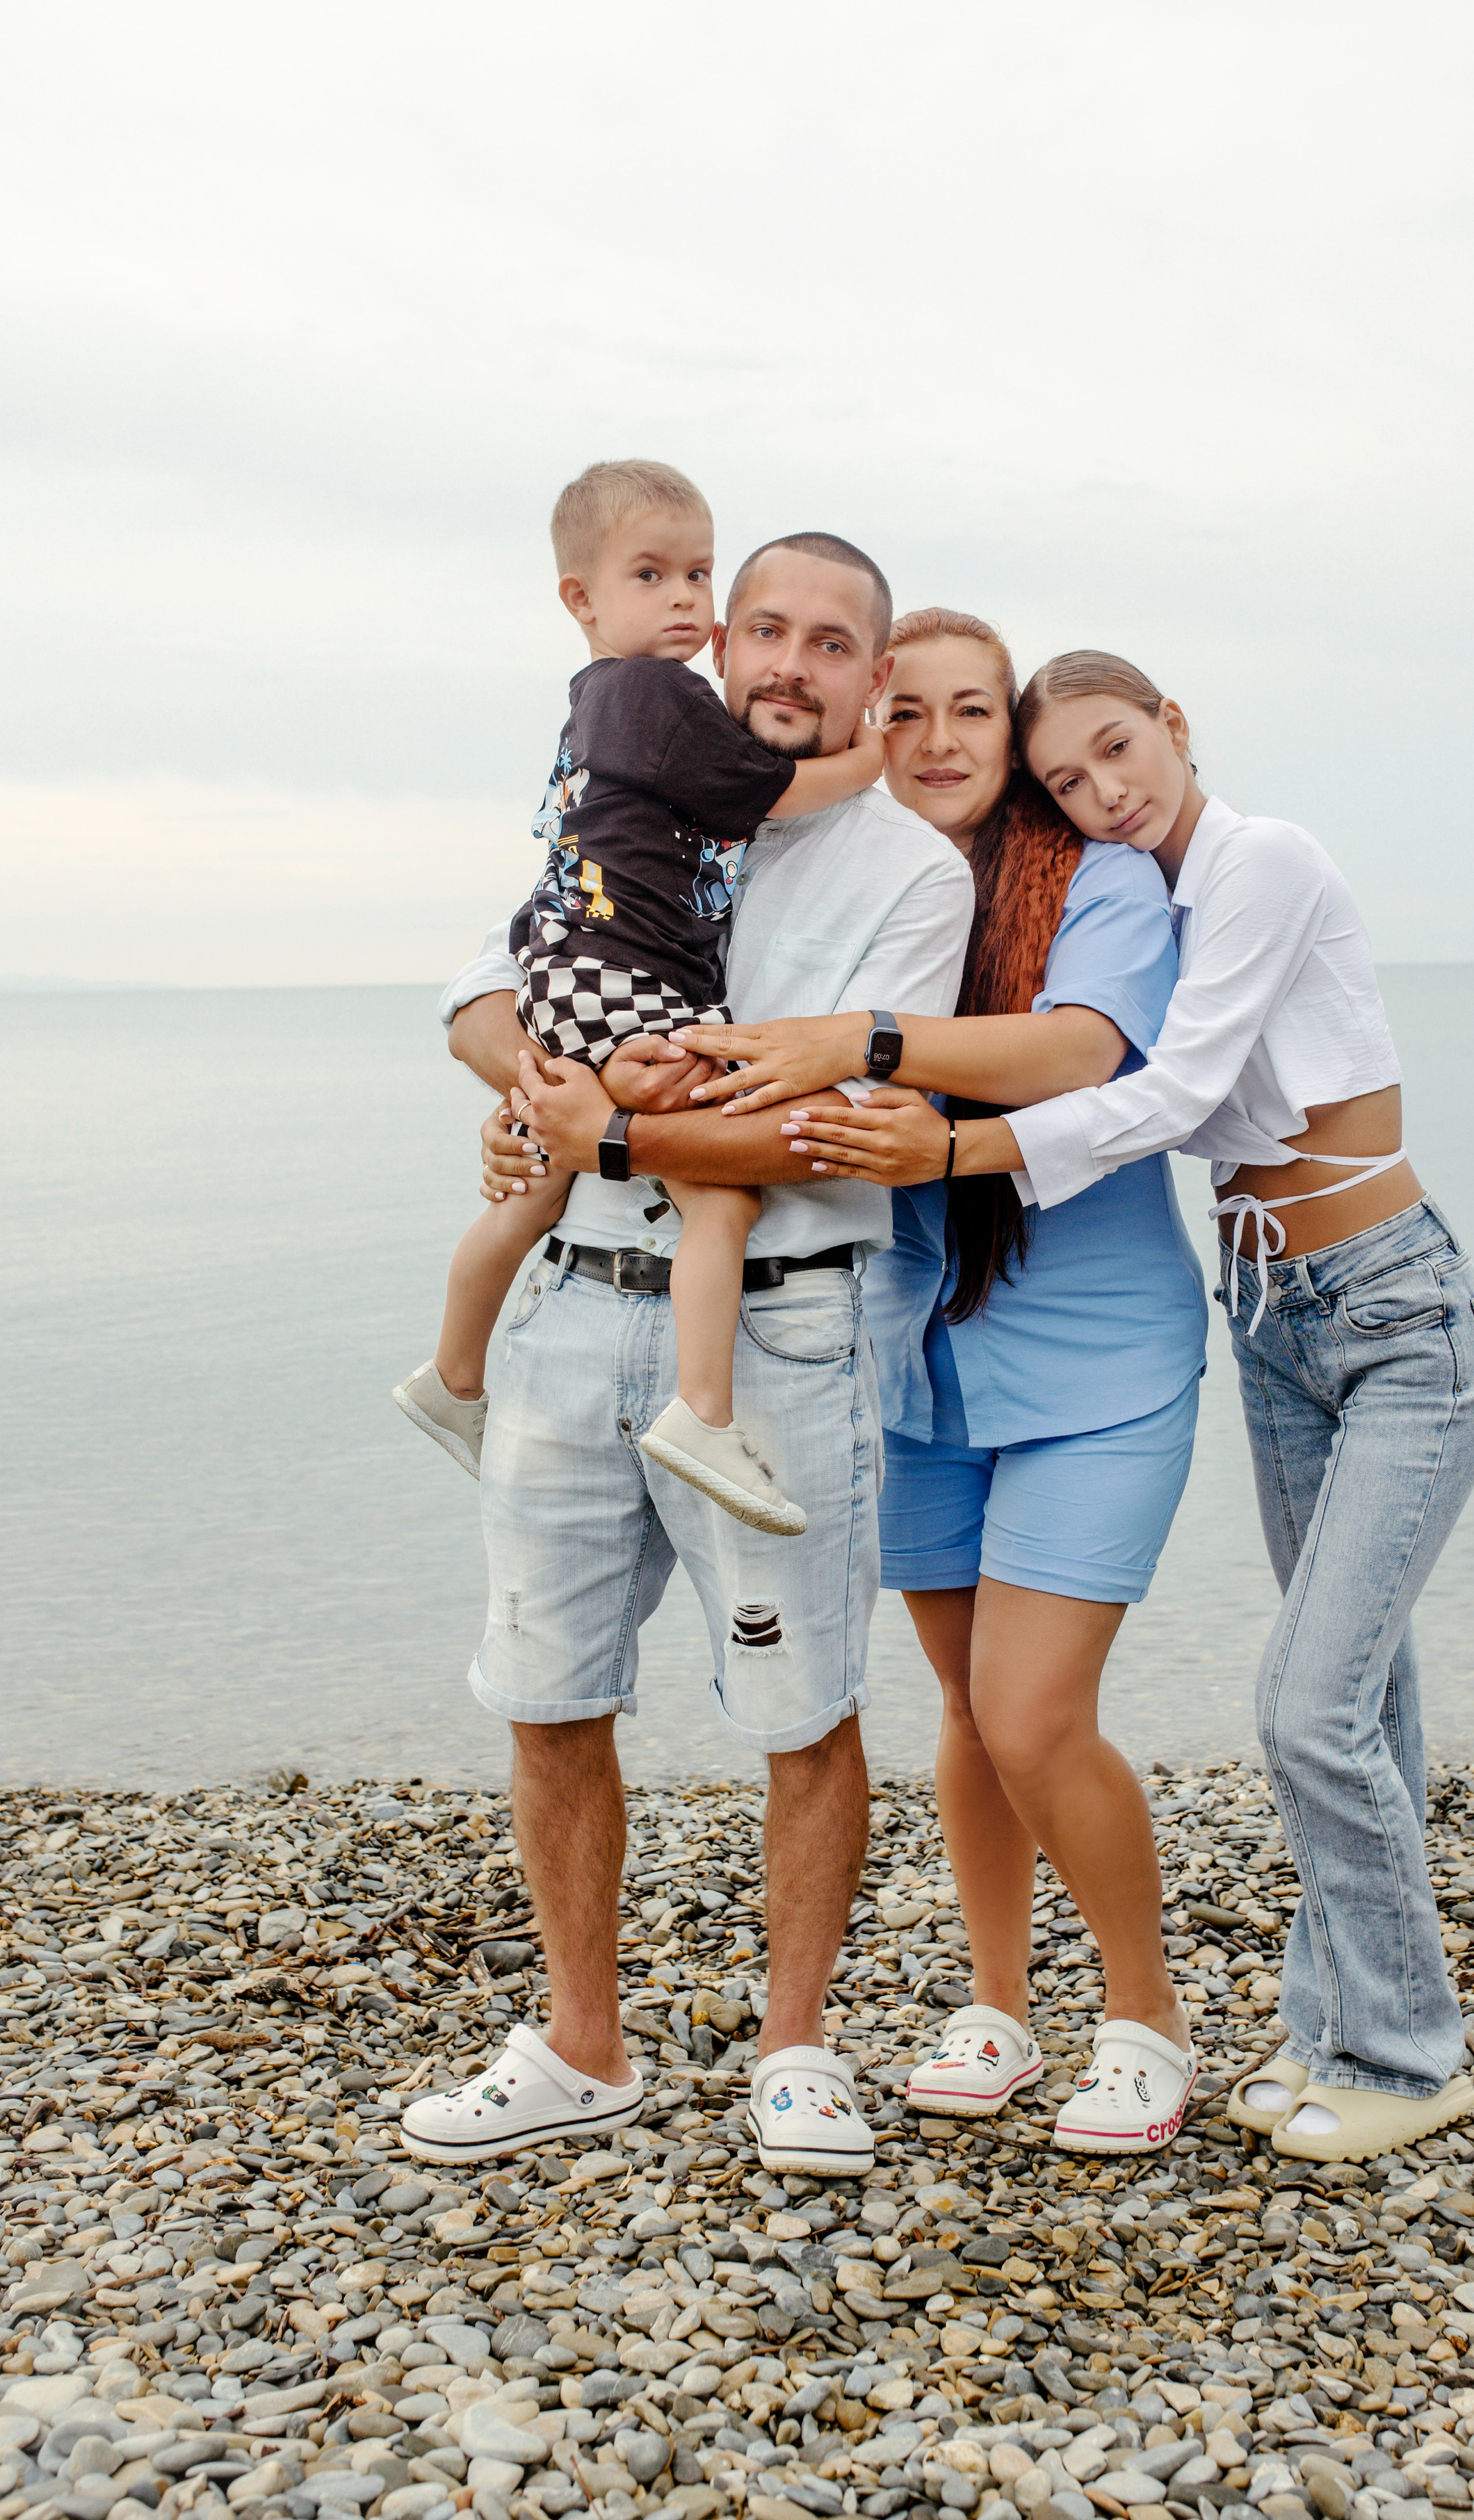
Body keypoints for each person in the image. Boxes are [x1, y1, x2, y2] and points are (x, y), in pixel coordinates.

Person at [745, 649, 1474, 2168]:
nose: (1103, 788)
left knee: (1284, 1707)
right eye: (1073, 770)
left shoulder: (1211, 871)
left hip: (1378, 1296)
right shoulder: (926, 887)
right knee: (1347, 1702)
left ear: (1172, 721)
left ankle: (1374, 2049)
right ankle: (1327, 2029)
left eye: (1112, 749)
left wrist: (921, 1127)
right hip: (1258, 1305)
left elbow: (1144, 1078)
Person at [396, 535, 974, 2177]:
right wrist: (538, 1083)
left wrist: (612, 1125)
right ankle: (581, 2044)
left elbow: (832, 1130)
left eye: (833, 642)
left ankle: (797, 2051)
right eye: (767, 628)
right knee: (544, 1688)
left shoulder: (908, 877)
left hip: (785, 1325)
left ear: (872, 677)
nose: (793, 661)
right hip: (573, 1307)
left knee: (804, 1709)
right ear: (722, 644)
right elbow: (476, 988)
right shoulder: (635, 785)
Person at [675, 610, 1208, 2156]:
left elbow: (1082, 1054)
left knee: (1033, 1713)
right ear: (860, 727)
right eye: (904, 711)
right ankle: (1001, 2002)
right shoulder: (842, 886)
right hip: (904, 1356)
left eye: (973, 710)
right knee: (967, 1716)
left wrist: (866, 1046)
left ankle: (1142, 2011)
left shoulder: (1097, 882)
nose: (940, 741)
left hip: (1096, 1357)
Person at [391, 460, 884, 1534]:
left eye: (696, 574)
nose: (681, 599)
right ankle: (704, 1415)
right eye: (652, 574)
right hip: (627, 985)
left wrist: (561, 1085)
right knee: (721, 1192)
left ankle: (453, 1376)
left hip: (571, 970)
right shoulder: (656, 696)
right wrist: (871, 760)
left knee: (534, 1182)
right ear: (580, 599)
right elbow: (772, 792)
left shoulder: (593, 710)